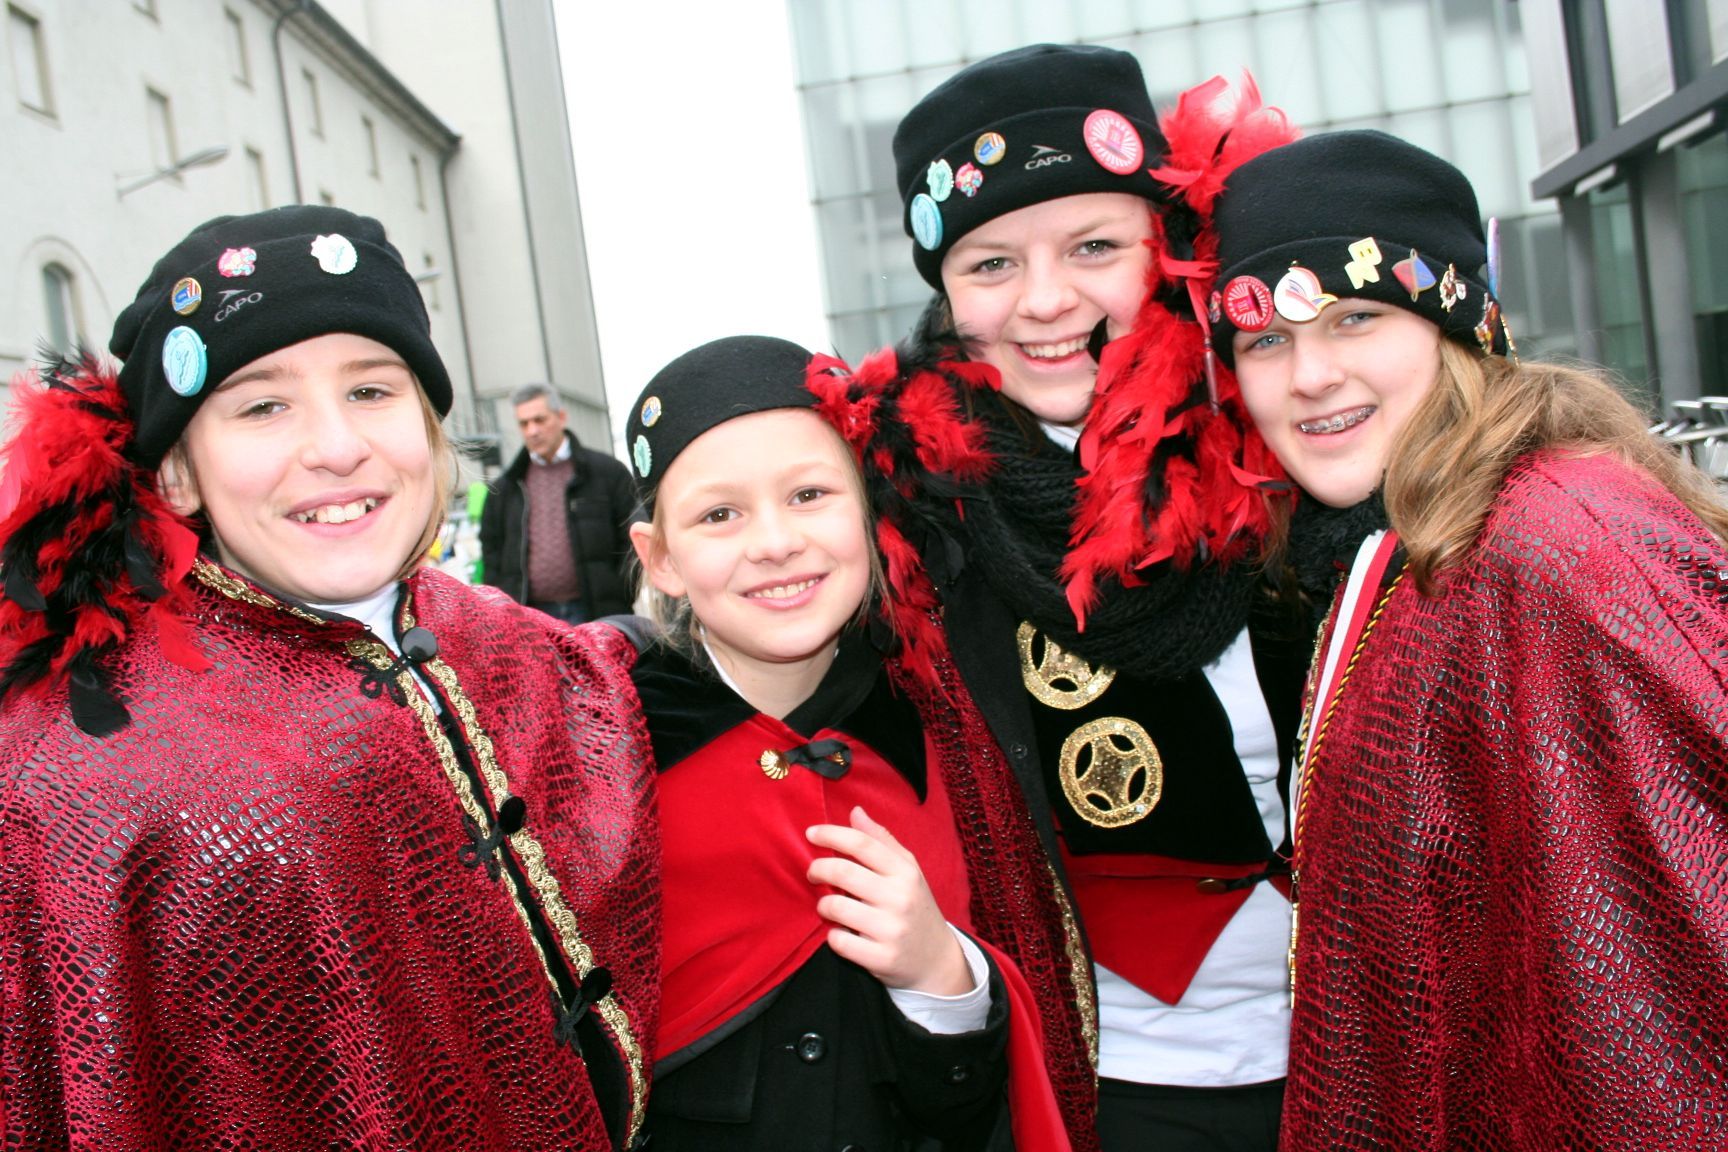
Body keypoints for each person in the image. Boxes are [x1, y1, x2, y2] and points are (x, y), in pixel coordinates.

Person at [0, 206, 657, 1150]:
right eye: (262, 407)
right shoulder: (79, 767)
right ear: (177, 472)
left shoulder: (525, 649)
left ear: (430, 428)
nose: (337, 446)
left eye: (372, 389)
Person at [1209, 129, 1728, 1150]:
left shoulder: (1565, 540)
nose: (1309, 374)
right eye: (1264, 339)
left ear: (1456, 324)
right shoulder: (1412, 544)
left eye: (1355, 317)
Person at [878, 43, 1302, 1151]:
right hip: (1111, 1088)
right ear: (945, 296)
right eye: (991, 264)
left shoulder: (1301, 429)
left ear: (1166, 248)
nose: (1046, 301)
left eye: (1094, 246)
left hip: (1375, 1043)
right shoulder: (910, 517)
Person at [620, 335, 1090, 1151]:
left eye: (809, 494)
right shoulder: (605, 760)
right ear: (660, 558)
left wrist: (940, 974)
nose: (774, 543)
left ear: (872, 513)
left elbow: (977, 1105)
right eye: (719, 514)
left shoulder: (954, 739)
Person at [480, 381, 637, 622]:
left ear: (561, 417)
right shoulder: (505, 489)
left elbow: (632, 539)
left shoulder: (608, 473)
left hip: (599, 613)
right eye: (524, 424)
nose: (532, 431)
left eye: (539, 420)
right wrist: (503, 607)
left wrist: (621, 592)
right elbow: (491, 552)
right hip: (531, 617)